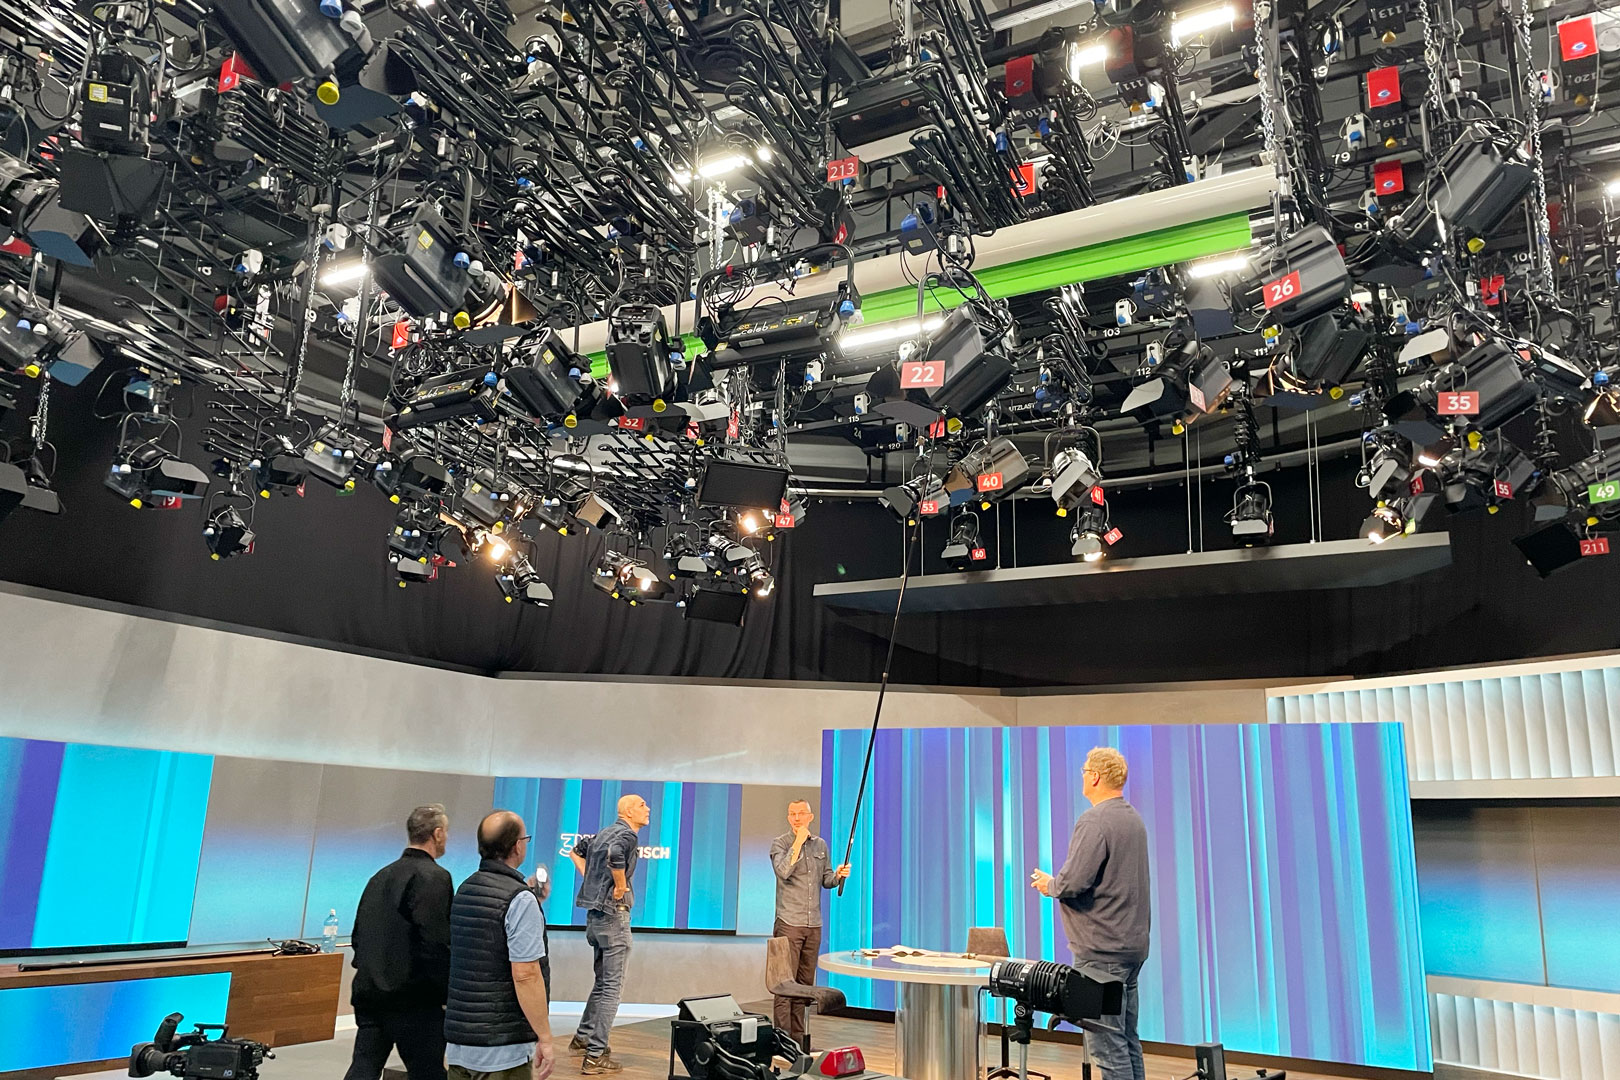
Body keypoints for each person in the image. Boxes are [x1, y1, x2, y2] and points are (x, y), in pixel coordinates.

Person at [1028, 747, 1151, 1080]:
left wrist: (1051, 885)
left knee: (1108, 1048)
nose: (1082, 776)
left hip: (1102, 953)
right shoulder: (1133, 819)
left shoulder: (1094, 821)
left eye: (1084, 771)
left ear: (1094, 777)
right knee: (1126, 1040)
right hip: (1130, 949)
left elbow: (1074, 882)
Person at [346, 805, 455, 1080]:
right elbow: (435, 942)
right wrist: (444, 993)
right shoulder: (435, 877)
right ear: (437, 834)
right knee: (428, 1072)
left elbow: (359, 936)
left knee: (363, 1069)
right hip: (413, 999)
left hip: (370, 992)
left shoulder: (379, 876)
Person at [444, 811, 556, 1080]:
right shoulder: (519, 900)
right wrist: (545, 1037)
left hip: (460, 1042)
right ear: (517, 846)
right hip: (503, 1048)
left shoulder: (466, 889)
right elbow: (526, 974)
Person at [566, 794, 650, 1074]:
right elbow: (615, 855)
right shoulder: (627, 835)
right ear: (628, 812)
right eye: (642, 805)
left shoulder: (604, 832)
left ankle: (583, 1038)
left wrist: (592, 878)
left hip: (595, 919)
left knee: (603, 983)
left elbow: (575, 851)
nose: (647, 809)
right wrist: (620, 886)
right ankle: (594, 1055)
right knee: (612, 989)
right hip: (614, 918)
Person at [767, 799, 849, 1047]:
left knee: (804, 986)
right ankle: (782, 1041)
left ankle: (798, 1039)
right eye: (792, 814)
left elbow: (826, 879)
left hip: (813, 924)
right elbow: (783, 871)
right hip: (789, 922)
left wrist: (838, 875)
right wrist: (798, 842)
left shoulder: (820, 845)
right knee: (785, 985)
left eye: (801, 813)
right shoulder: (780, 843)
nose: (796, 818)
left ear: (810, 817)